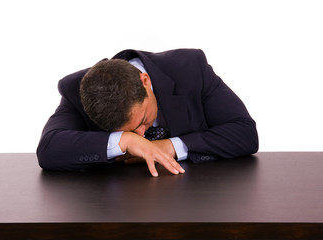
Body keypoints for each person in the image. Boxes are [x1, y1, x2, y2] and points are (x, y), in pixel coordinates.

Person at [37, 48, 259, 177]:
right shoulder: (76, 90)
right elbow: (49, 149)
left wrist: (171, 146)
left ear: (145, 81)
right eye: (129, 131)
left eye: (142, 120)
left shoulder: (190, 68)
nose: (141, 135)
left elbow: (244, 133)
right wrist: (123, 141)